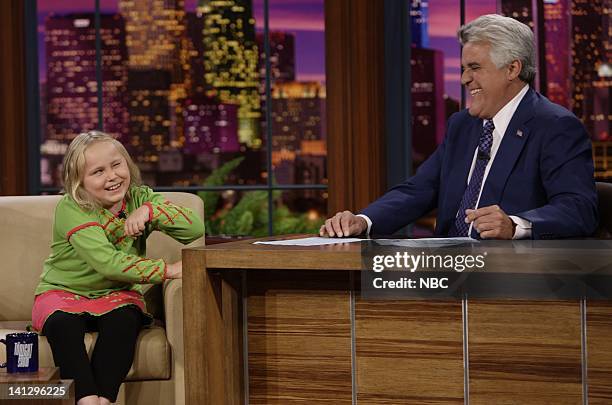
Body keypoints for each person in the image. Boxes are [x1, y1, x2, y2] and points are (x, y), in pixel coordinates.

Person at [320, 14, 598, 240]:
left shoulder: (555, 126)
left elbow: (579, 209)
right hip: (449, 268)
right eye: (463, 68)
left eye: (474, 67)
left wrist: (516, 225)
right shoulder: (463, 125)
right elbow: (418, 190)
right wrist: (364, 220)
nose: (465, 78)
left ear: (512, 69)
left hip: (510, 278)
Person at [31, 131, 204, 405]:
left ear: (129, 165)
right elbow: (108, 263)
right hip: (62, 293)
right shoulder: (72, 208)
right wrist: (168, 270)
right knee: (63, 326)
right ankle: (86, 400)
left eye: (116, 165)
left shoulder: (139, 198)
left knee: (123, 322)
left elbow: (194, 228)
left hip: (117, 296)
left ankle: (105, 400)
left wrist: (149, 211)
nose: (112, 176)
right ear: (79, 183)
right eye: (98, 171)